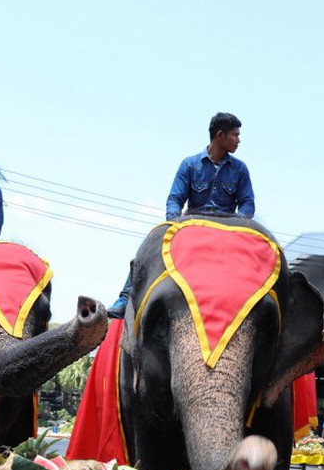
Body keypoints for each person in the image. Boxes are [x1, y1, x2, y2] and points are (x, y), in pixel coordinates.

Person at [108, 112, 255, 319]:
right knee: (150, 245)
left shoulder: (240, 169)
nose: (238, 141)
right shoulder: (190, 165)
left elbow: (247, 202)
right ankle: (124, 299)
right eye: (235, 135)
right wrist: (173, 221)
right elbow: (175, 198)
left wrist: (241, 222)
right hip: (191, 225)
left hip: (227, 228)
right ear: (220, 135)